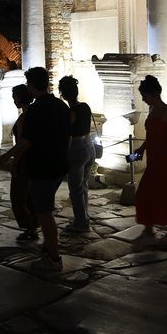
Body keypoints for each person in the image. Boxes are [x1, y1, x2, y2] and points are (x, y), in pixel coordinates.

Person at [6, 67, 69, 271]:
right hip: (59, 164)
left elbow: (27, 142)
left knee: (45, 213)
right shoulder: (61, 106)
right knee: (44, 210)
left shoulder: (35, 111)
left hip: (43, 166)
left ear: (32, 85)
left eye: (28, 84)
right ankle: (47, 249)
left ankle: (54, 259)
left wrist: (8, 156)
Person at [129, 75, 167, 247]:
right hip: (154, 163)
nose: (143, 99)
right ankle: (149, 231)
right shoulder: (153, 110)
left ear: (154, 93)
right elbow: (152, 136)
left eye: (145, 96)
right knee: (145, 195)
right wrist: (141, 150)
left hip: (166, 163)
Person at [0, 84, 38, 244]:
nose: (13, 100)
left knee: (18, 197)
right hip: (34, 159)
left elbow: (22, 143)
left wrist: (11, 159)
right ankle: (34, 225)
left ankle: (29, 227)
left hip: (24, 160)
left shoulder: (24, 118)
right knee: (29, 196)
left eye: (15, 97)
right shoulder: (32, 114)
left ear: (20, 98)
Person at [59, 76, 94, 234]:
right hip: (89, 145)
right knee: (84, 185)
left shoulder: (71, 112)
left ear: (63, 94)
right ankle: (84, 217)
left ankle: (81, 222)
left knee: (75, 189)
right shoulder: (85, 106)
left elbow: (69, 136)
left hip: (77, 148)